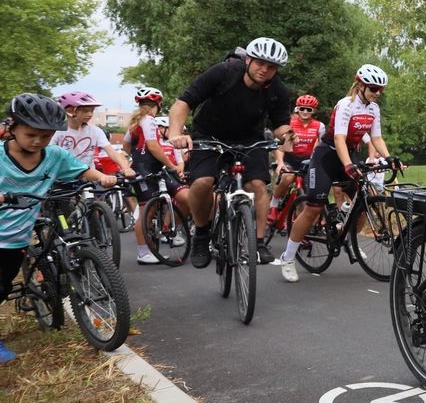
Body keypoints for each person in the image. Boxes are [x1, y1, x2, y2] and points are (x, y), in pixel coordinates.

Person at [0, 94, 116, 362]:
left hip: (16, 239)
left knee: (3, 286)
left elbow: (81, 170)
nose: (39, 141)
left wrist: (103, 177)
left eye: (46, 135)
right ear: (12, 127)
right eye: (31, 134)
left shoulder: (54, 155)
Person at [167, 37, 293, 267]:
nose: (264, 70)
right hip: (209, 135)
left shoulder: (278, 91)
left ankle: (260, 241)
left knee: (257, 185)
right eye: (260, 63)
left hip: (249, 139)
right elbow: (182, 103)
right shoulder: (223, 73)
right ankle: (202, 234)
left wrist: (288, 136)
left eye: (271, 67)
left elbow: (280, 124)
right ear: (248, 60)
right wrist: (175, 133)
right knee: (203, 182)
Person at [276, 64, 402, 283]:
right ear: (361, 85)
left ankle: (344, 234)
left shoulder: (373, 109)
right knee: (314, 207)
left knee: (364, 201)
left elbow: (377, 138)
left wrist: (389, 158)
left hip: (349, 154)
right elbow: (339, 138)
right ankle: (288, 257)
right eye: (374, 88)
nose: (377, 93)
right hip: (327, 156)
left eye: (381, 89)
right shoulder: (346, 105)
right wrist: (347, 165)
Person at [125, 89, 188, 264]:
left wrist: (138, 159)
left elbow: (126, 145)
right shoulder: (149, 121)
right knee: (146, 212)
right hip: (148, 169)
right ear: (158, 105)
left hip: (142, 168)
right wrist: (171, 165)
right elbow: (153, 147)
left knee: (148, 209)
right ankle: (143, 253)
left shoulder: (135, 122)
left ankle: (151, 245)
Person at [268, 94, 324, 226]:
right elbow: (281, 146)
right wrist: (280, 163)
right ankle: (274, 205)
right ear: (297, 109)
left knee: (308, 191)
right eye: (302, 108)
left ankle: (300, 224)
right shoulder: (289, 123)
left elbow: (322, 146)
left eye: (309, 109)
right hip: (289, 158)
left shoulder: (319, 126)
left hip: (307, 161)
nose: (305, 112)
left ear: (314, 111)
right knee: (287, 178)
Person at [52, 91, 135, 179]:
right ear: (69, 111)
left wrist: (126, 168)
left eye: (92, 111)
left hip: (88, 177)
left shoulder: (95, 131)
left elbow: (112, 152)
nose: (90, 114)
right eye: (85, 111)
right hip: (61, 178)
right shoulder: (57, 131)